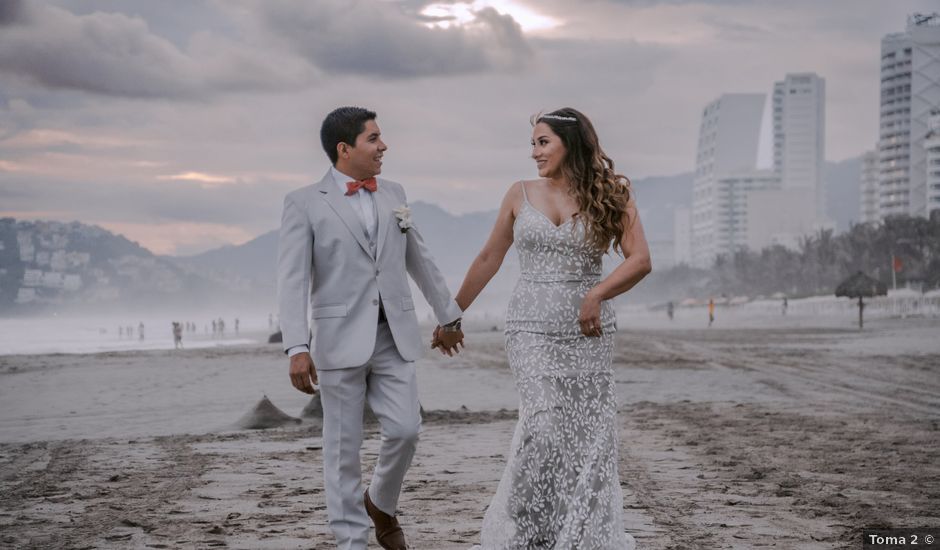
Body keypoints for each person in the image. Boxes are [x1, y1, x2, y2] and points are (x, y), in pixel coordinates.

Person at [453, 108, 650, 549]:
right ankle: (525, 527)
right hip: (530, 329)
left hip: (588, 336)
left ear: (571, 143)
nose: (535, 153)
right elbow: (489, 258)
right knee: (542, 425)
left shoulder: (612, 192)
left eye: (543, 142)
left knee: (586, 437)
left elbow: (641, 260)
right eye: (533, 144)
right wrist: (453, 313)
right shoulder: (519, 194)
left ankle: (576, 533)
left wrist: (597, 294)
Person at [277, 106, 464, 550]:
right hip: (337, 341)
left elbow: (419, 258)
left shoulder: (393, 192)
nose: (384, 146)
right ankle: (352, 541)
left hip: (394, 335)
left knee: (405, 429)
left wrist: (449, 315)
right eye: (373, 138)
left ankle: (380, 501)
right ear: (345, 149)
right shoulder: (303, 203)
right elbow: (292, 279)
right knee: (342, 448)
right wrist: (295, 347)